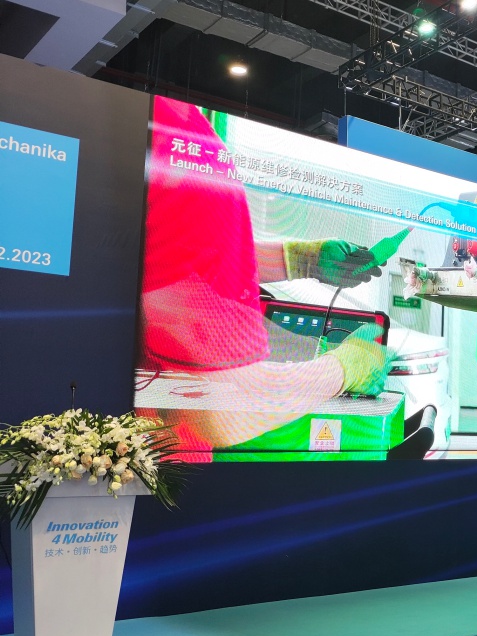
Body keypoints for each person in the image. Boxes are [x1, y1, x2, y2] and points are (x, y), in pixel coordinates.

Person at [137, 97, 390, 458]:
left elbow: (177, 260)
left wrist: (302, 260)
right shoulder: (183, 139)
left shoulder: (160, 129)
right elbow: (222, 410)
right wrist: (346, 368)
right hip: (147, 467)